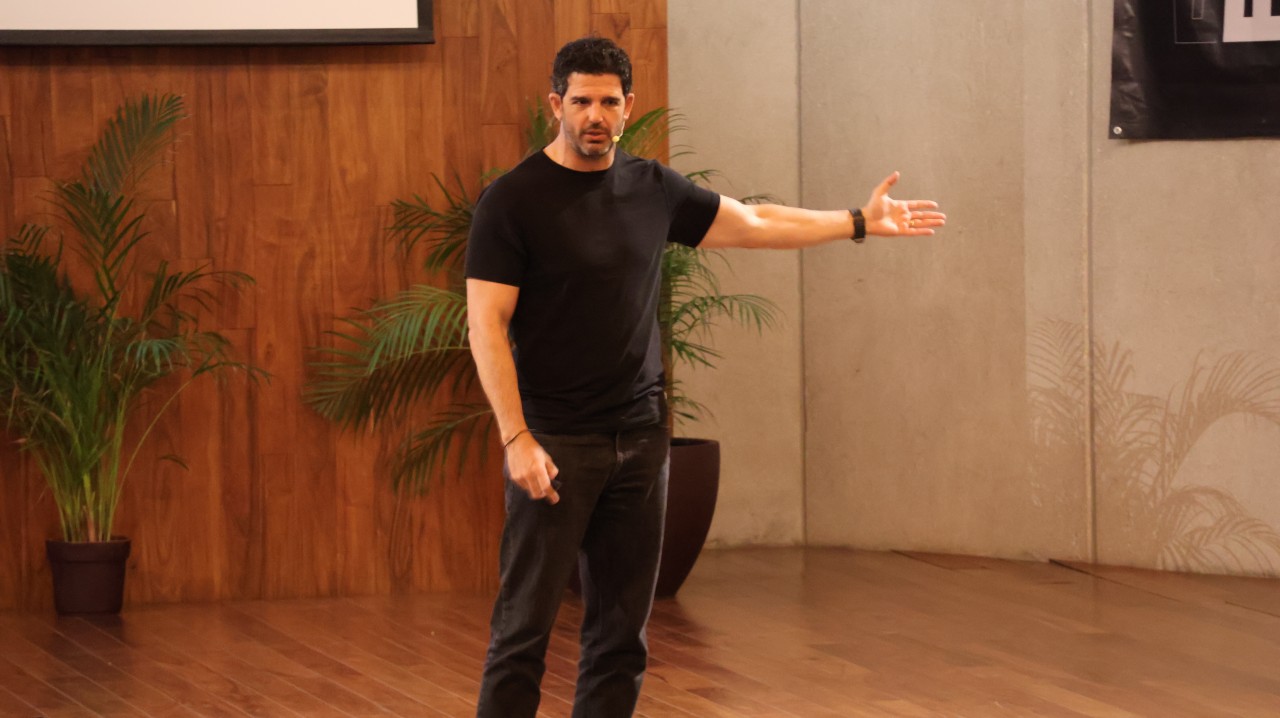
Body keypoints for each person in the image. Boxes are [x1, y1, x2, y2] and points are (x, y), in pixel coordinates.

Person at [464, 36, 945, 718]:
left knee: (620, 640)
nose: (595, 115)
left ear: (628, 106)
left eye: (609, 102)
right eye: (581, 101)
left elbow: (754, 222)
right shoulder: (512, 201)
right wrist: (517, 438)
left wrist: (859, 221)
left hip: (640, 441)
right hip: (556, 446)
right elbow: (485, 325)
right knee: (522, 636)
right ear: (556, 105)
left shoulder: (651, 188)